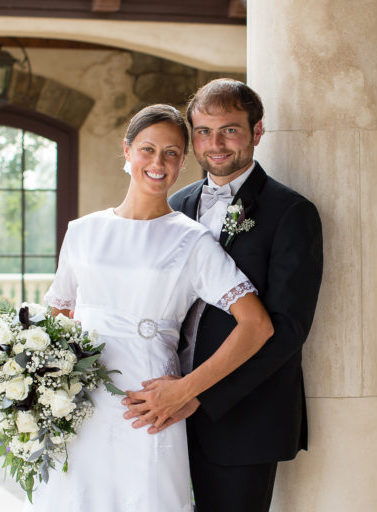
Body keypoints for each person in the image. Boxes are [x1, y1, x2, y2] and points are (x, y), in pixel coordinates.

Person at [26, 104, 274, 511]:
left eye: (172, 153)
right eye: (147, 149)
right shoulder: (82, 231)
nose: (158, 163)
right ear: (126, 151)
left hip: (148, 404)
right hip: (79, 403)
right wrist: (41, 394)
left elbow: (257, 325)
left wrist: (187, 388)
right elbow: (57, 317)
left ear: (182, 162)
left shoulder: (192, 241)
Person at [123, 79, 324, 512]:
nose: (215, 144)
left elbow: (288, 330)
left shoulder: (291, 213)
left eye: (229, 130)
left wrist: (197, 393)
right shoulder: (175, 204)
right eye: (202, 131)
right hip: (164, 407)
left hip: (243, 417)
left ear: (257, 132)